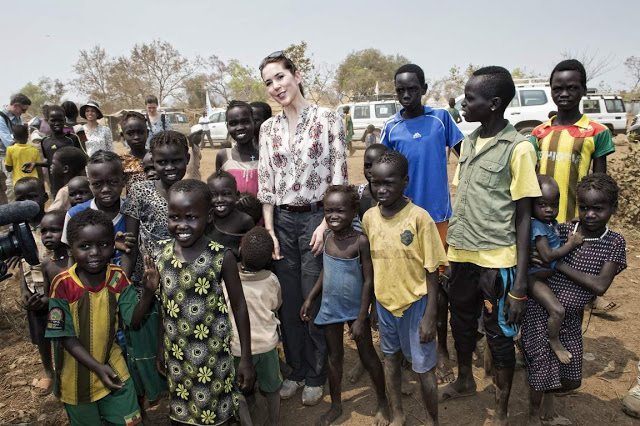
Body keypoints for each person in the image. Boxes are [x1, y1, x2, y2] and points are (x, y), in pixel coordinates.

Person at [442, 66, 541, 426]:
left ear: (494, 103)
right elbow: (463, 200)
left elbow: (524, 216)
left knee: (499, 335)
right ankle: (465, 379)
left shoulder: (519, 148)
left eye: (471, 99)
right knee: (462, 324)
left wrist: (519, 284)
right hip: (461, 254)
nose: (463, 105)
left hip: (496, 259)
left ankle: (500, 409)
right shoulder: (468, 142)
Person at [258, 50, 348, 405]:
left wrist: (326, 222)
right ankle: (295, 370)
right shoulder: (268, 128)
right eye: (268, 82)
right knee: (288, 301)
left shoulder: (328, 119)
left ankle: (316, 374)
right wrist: (269, 231)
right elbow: (266, 185)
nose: (276, 86)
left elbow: (339, 178)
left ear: (295, 74)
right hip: (280, 220)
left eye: (280, 77)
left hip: (316, 218)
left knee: (313, 299)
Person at [136, 179, 255, 425]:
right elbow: (163, 307)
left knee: (217, 413)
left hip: (214, 358)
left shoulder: (221, 257)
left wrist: (245, 357)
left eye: (190, 217)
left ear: (208, 217)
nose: (181, 225)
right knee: (181, 413)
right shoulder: (160, 254)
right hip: (177, 356)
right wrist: (160, 347)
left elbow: (240, 307)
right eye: (174, 217)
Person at [521, 173, 626, 425]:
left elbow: (599, 286)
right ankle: (536, 416)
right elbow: (539, 253)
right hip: (542, 310)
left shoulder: (614, 242)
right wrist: (547, 259)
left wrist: (557, 264)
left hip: (571, 319)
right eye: (584, 207)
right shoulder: (565, 229)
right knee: (542, 367)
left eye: (598, 209)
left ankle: (547, 403)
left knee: (569, 376)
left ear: (613, 208)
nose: (589, 214)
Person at [381, 63, 464, 384]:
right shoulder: (391, 127)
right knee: (407, 284)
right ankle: (406, 347)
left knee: (438, 289)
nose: (406, 95)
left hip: (438, 220)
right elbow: (384, 174)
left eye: (412, 89)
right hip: (403, 222)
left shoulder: (440, 119)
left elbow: (464, 156)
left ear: (424, 88)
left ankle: (441, 350)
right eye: (400, 89)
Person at [363, 151, 448, 425]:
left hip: (416, 305)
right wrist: (374, 306)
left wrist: (430, 314)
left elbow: (432, 269)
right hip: (386, 305)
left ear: (405, 182)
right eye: (376, 183)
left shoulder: (419, 218)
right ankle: (397, 414)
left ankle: (432, 420)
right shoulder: (369, 218)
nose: (382, 189)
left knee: (424, 370)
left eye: (389, 183)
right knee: (390, 360)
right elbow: (373, 267)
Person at [530, 59, 617, 316]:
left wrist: (591, 225)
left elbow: (600, 184)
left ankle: (566, 344)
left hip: (574, 226)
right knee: (537, 285)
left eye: (572, 87)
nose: (564, 94)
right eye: (558, 88)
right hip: (541, 227)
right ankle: (530, 347)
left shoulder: (597, 132)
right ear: (551, 90)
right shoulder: (538, 133)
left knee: (569, 293)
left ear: (584, 90)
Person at [302, 185, 389, 426]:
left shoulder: (360, 242)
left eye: (340, 210)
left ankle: (383, 402)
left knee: (368, 355)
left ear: (353, 212)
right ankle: (336, 405)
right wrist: (311, 297)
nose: (333, 216)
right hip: (331, 307)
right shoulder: (328, 238)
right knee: (334, 357)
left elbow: (368, 281)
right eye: (328, 210)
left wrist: (362, 317)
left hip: (355, 309)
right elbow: (325, 272)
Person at [45, 209, 143, 425]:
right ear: (71, 248)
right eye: (85, 246)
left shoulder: (117, 277)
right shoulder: (62, 285)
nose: (95, 253)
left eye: (104, 244)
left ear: (113, 244)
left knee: (131, 420)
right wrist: (97, 367)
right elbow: (63, 335)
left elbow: (133, 319)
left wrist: (150, 293)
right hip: (74, 378)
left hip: (112, 362)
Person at [121, 130, 189, 287]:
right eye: (162, 162)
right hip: (146, 279)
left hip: (184, 278)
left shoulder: (194, 193)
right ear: (153, 160)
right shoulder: (139, 191)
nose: (170, 167)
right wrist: (123, 286)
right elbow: (130, 244)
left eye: (177, 161)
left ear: (187, 159)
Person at [528, 175, 585, 364]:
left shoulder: (549, 223)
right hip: (534, 278)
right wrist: (571, 244)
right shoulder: (537, 226)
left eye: (554, 204)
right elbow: (547, 256)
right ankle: (554, 341)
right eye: (542, 205)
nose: (549, 210)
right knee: (558, 311)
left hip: (548, 277)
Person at [230, 226, 282, 426]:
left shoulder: (229, 279)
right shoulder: (272, 280)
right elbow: (276, 304)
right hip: (267, 346)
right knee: (272, 389)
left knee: (239, 391)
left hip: (237, 349)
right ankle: (274, 421)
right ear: (269, 258)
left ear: (240, 250)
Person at [13, 178, 53, 395]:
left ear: (45, 198)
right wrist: (22, 291)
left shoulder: (53, 223)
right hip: (34, 290)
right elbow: (22, 263)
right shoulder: (18, 231)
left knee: (63, 330)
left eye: (32, 197)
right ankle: (49, 372)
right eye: (20, 199)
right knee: (41, 335)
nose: (26, 203)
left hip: (56, 289)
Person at [62, 151, 128, 266]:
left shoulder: (133, 211)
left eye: (113, 182)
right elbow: (71, 256)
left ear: (123, 180)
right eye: (97, 184)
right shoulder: (75, 215)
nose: (105, 189)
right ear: (90, 184)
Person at [206, 170, 255, 259]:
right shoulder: (206, 219)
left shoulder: (245, 221)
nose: (220, 199)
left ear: (237, 196)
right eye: (213, 195)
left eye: (226, 194)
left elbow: (252, 250)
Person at [37, 105, 83, 197]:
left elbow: (81, 160)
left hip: (73, 184)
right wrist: (36, 164)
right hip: (55, 185)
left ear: (65, 120)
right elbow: (49, 162)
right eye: (53, 120)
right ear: (47, 121)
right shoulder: (45, 142)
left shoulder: (72, 139)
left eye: (60, 120)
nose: (57, 123)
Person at [216, 100, 260, 196]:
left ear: (254, 122)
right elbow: (218, 190)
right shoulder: (223, 156)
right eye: (233, 123)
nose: (240, 127)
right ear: (227, 126)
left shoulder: (265, 154)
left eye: (245, 121)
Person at [0, 93, 31, 204]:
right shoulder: (1, 118)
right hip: (4, 156)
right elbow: (9, 142)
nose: (24, 113)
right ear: (16, 105)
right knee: (9, 186)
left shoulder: (17, 117)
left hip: (14, 154)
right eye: (23, 110)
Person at [46, 146, 88, 211]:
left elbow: (52, 213)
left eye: (53, 164)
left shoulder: (64, 191)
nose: (51, 167)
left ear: (65, 169)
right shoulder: (88, 184)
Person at [118, 111, 148, 193]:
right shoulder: (121, 161)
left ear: (147, 133)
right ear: (123, 136)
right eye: (130, 133)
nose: (136, 137)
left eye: (140, 132)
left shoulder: (156, 157)